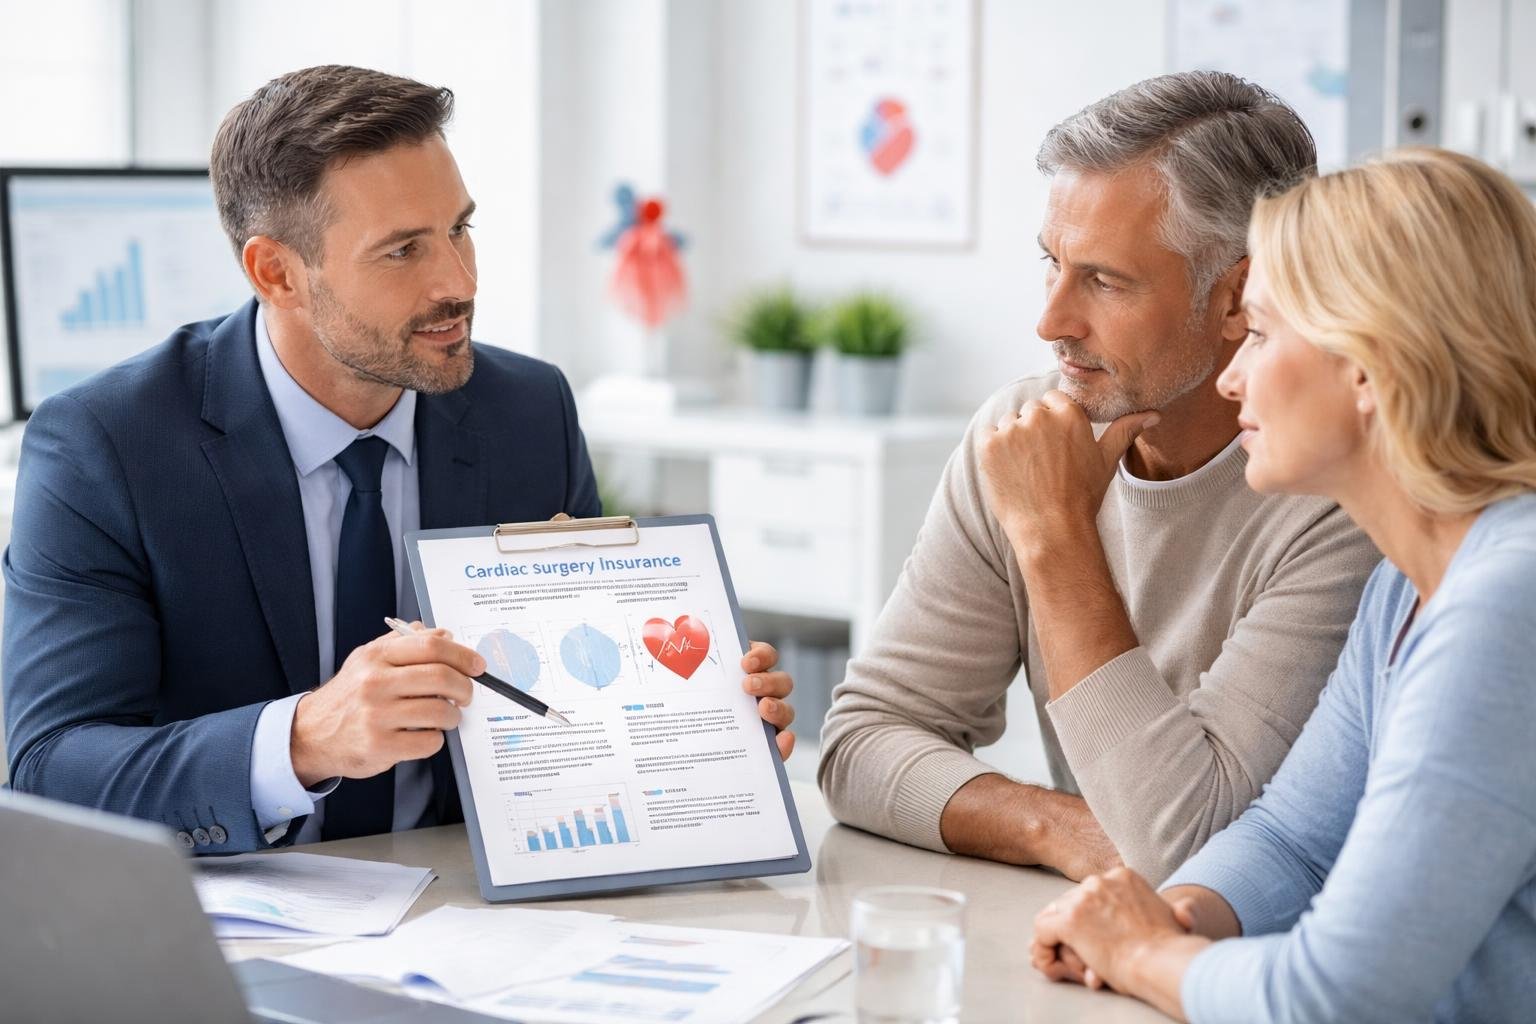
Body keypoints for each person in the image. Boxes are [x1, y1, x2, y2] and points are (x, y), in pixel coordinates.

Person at [2, 65, 796, 853]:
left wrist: (698, 730)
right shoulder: (107, 445)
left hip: (472, 898)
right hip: (233, 905)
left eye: (459, 229)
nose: (459, 281)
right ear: (277, 273)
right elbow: (49, 767)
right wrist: (304, 740)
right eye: (403, 250)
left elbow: (574, 707)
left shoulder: (529, 412)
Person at [818, 71, 1381, 882]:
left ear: (1238, 297)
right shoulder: (1023, 435)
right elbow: (861, 745)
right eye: (1051, 263)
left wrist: (1055, 535)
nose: (1050, 321)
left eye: (1105, 280)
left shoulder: (1342, 500)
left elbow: (1192, 847)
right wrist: (1056, 829)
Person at [1030, 147, 1536, 1023]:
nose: (1232, 377)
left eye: (1260, 334)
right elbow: (1294, 839)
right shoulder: (1406, 589)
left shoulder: (1505, 604)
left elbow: (1335, 998)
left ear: (1371, 367)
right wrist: (1172, 915)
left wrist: (1144, 953)